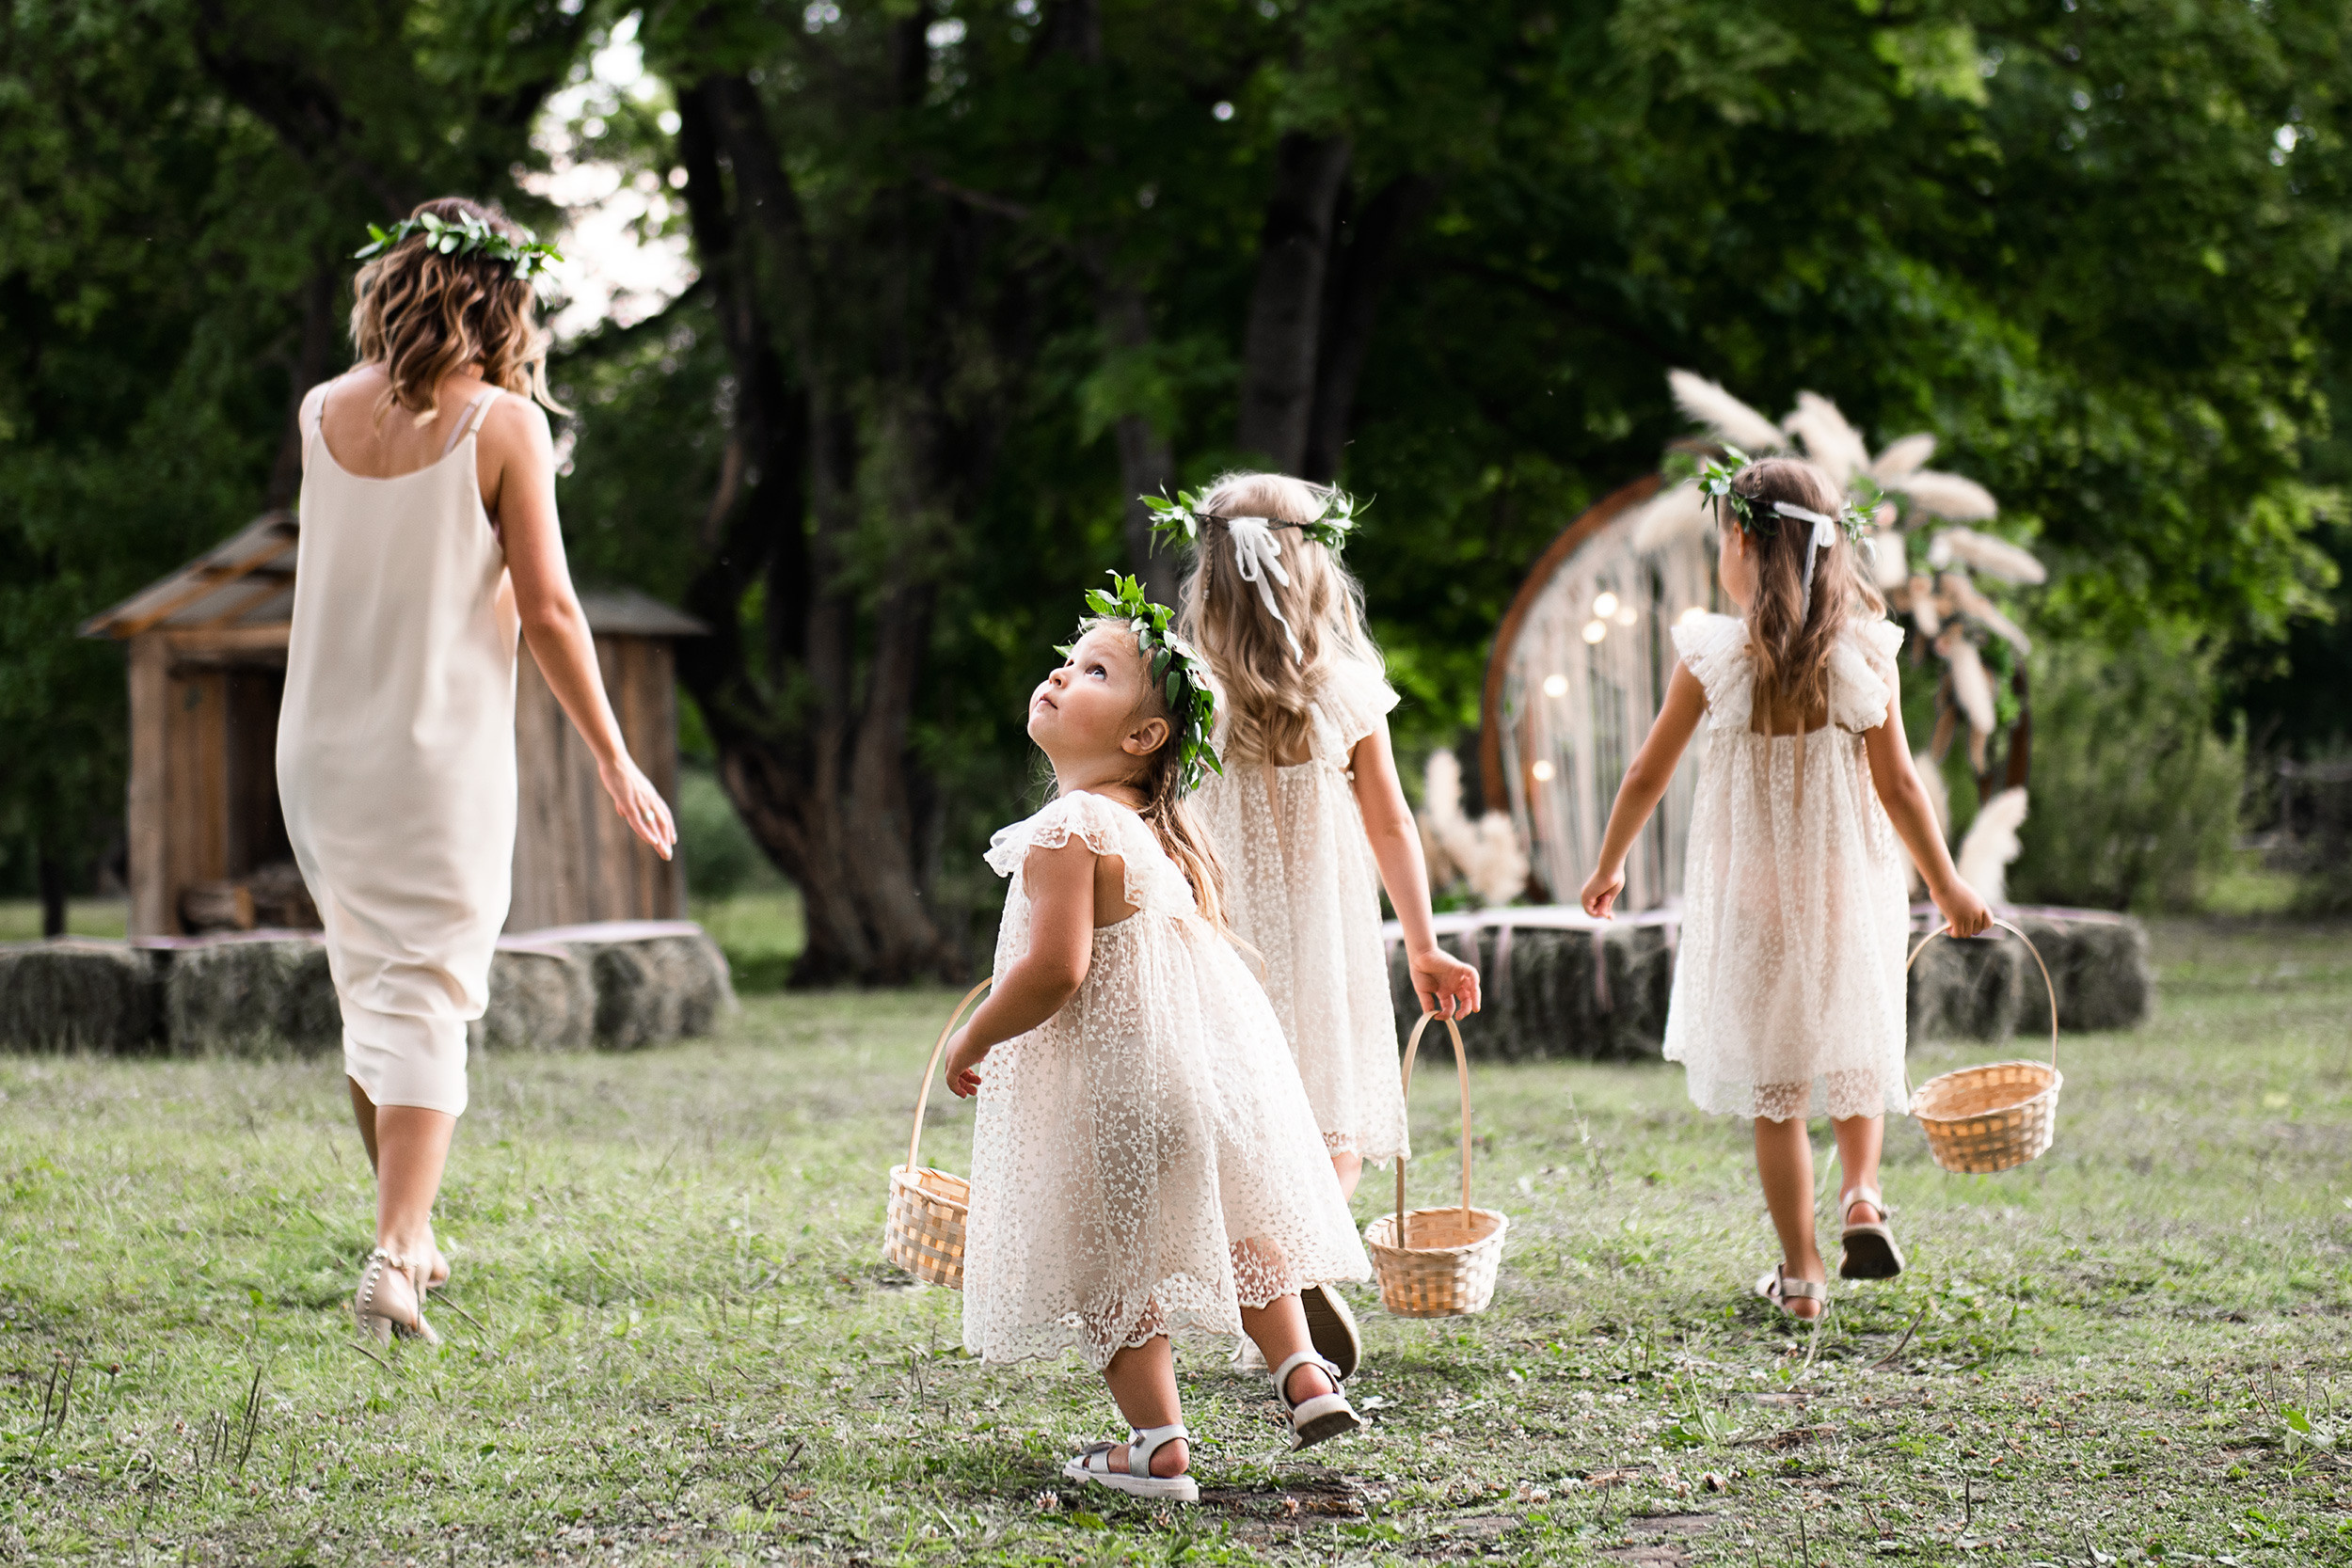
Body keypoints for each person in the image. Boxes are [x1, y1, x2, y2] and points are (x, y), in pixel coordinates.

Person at [278, 197, 676, 1346]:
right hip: (433, 751)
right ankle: (397, 1249)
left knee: (376, 987)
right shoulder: (501, 423)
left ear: (393, 284)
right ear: (501, 299)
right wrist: (613, 752)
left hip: (318, 751)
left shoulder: (319, 412)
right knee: (432, 992)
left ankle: (409, 1226)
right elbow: (548, 607)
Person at [945, 576, 1371, 1502]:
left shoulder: (1064, 827)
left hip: (1116, 1086)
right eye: (1067, 658)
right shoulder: (1149, 832)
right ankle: (1300, 1369)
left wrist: (971, 1036)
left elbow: (1055, 970)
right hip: (1206, 1078)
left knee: (1110, 1258)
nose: (1061, 672)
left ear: (1141, 737)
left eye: (1093, 669)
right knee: (1244, 1224)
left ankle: (1156, 1442)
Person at [1579, 456, 1988, 1321]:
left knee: (1776, 1091)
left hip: (1753, 900)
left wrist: (1611, 861)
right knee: (1856, 1052)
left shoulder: (1714, 656)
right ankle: (1864, 1197)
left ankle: (1801, 1276)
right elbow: (1903, 787)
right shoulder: (1867, 653)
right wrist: (1947, 886)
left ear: (1740, 540)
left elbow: (1649, 771)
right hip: (1848, 889)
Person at [1165, 472, 1481, 1377]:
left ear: (1209, 572)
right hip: (1326, 919)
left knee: (1233, 1102)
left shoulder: (1185, 686)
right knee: (1330, 1102)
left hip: (1220, 914)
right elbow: (1390, 819)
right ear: (1315, 567)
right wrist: (1421, 939)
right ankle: (1306, 1252)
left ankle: (1279, 1270)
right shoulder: (1344, 684)